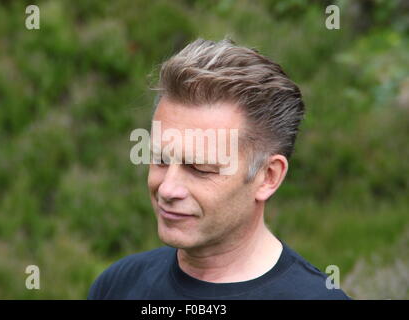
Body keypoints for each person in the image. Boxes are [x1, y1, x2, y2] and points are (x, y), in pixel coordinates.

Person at [88, 38, 351, 299]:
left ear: (268, 176)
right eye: (160, 160)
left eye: (200, 168)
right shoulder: (117, 285)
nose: (167, 189)